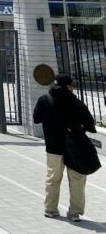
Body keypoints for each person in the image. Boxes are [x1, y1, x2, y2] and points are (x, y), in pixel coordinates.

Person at [34, 73, 99, 221]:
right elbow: (90, 125)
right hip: (75, 148)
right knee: (77, 180)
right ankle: (74, 213)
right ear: (68, 86)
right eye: (72, 85)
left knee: (53, 178)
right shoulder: (77, 103)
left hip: (53, 147)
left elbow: (36, 119)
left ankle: (50, 209)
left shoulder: (45, 100)